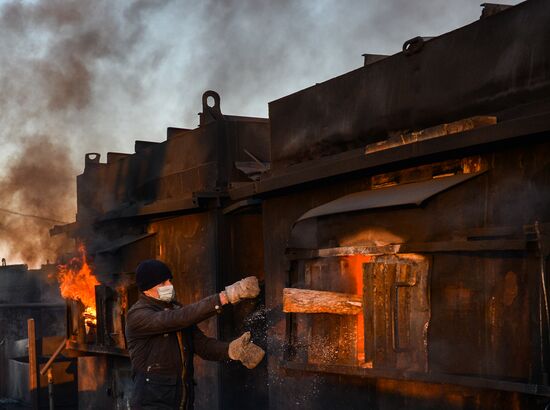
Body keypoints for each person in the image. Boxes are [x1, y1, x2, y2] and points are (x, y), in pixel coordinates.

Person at [125, 259, 265, 410]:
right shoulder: (137, 315)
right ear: (147, 289)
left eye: (169, 281)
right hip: (151, 404)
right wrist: (224, 297)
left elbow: (202, 345)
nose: (170, 286)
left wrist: (231, 350)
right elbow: (177, 319)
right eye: (162, 283)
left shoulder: (175, 309)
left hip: (182, 402)